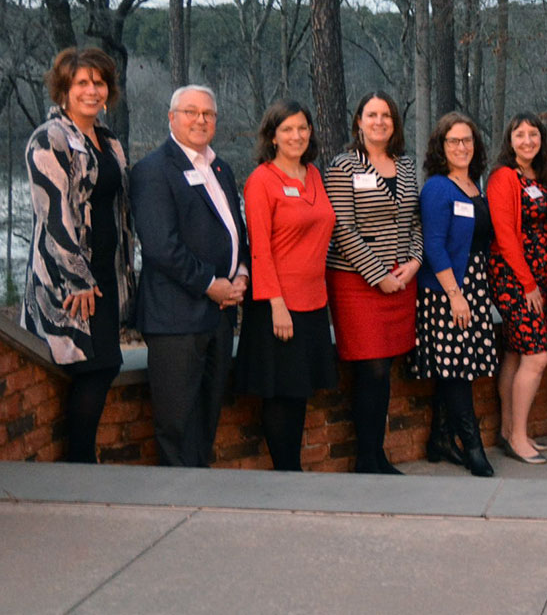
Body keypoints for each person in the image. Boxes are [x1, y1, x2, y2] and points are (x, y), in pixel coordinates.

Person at [22, 48, 134, 463]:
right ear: (64, 90)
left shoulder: (109, 141)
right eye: (81, 83)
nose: (92, 90)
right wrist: (78, 279)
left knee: (104, 366)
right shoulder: (47, 139)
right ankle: (80, 465)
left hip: (105, 272)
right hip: (65, 281)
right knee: (91, 367)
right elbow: (54, 216)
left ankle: (83, 461)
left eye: (99, 82)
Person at [131, 85, 247, 467]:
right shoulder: (153, 171)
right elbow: (162, 247)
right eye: (190, 112)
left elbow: (235, 231)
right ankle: (179, 500)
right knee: (177, 423)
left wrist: (241, 272)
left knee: (207, 416)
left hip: (219, 315)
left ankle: (203, 497)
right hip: (176, 318)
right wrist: (211, 284)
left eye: (208, 114)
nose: (200, 120)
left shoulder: (220, 168)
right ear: (171, 117)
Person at [235, 100, 340, 472]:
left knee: (299, 393)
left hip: (313, 302)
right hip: (278, 306)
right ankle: (286, 475)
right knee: (280, 395)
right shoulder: (261, 180)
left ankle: (291, 471)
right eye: (287, 129)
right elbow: (259, 248)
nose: (296, 135)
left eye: (302, 128)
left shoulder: (313, 175)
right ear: (273, 136)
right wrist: (276, 304)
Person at [325, 92, 422, 474]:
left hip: (403, 276)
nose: (379, 121)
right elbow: (343, 228)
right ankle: (366, 457)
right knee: (372, 368)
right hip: (357, 281)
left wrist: (415, 261)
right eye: (371, 114)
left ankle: (377, 454)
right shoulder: (343, 165)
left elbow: (416, 221)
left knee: (386, 367)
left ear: (395, 123)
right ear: (359, 121)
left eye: (386, 115)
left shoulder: (408, 166)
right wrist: (377, 274)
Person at [412, 113, 498, 477]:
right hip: (448, 290)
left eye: (467, 141)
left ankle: (439, 440)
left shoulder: (475, 186)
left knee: (458, 366)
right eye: (453, 141)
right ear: (441, 147)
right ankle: (472, 446)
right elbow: (433, 244)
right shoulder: (437, 188)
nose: (461, 147)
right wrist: (455, 295)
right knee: (457, 369)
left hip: (475, 285)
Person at [487, 113, 547, 465]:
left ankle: (510, 431)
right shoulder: (503, 177)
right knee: (536, 355)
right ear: (509, 140)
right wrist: (528, 283)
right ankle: (517, 438)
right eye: (520, 134)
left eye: (533, 134)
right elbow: (505, 234)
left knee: (515, 352)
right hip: (515, 279)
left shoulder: (538, 177)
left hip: (538, 280)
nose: (527, 140)